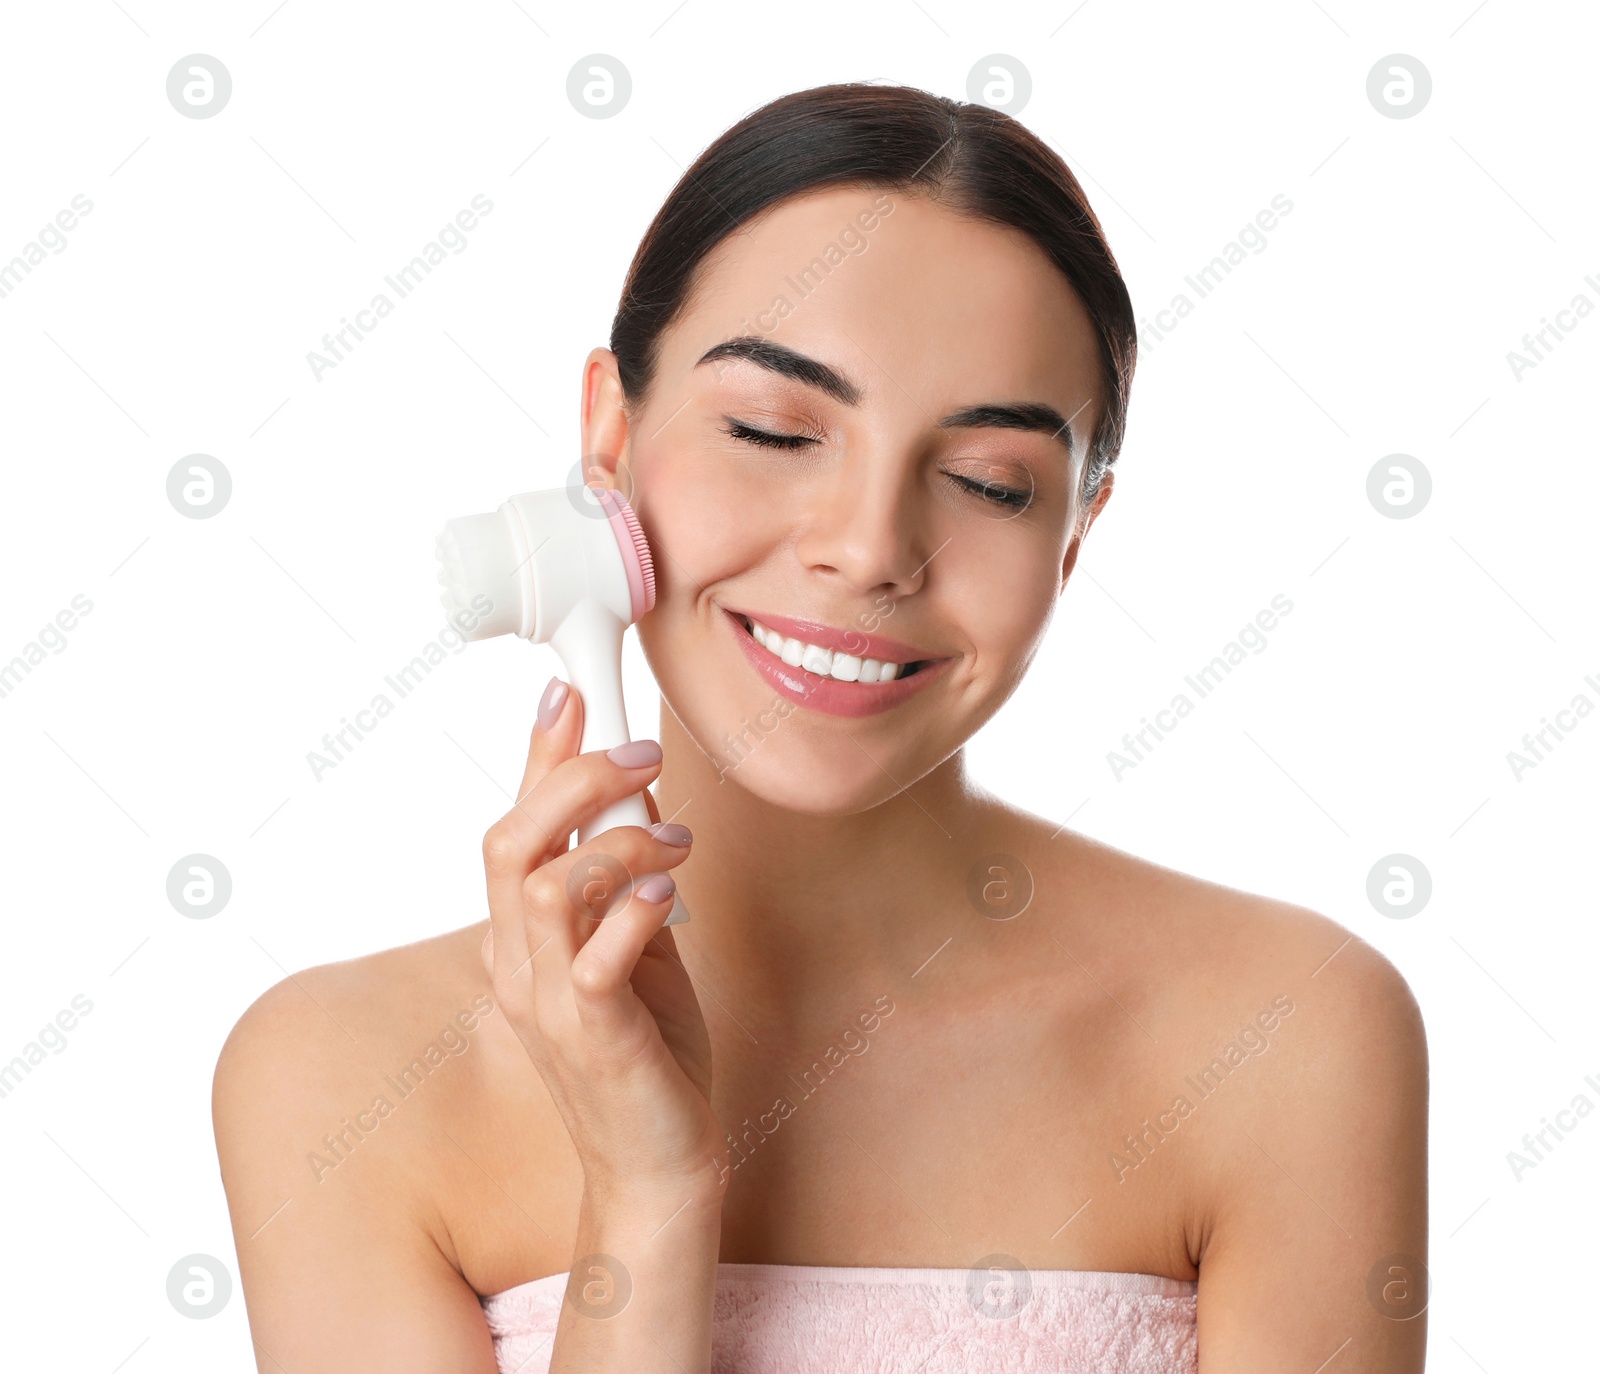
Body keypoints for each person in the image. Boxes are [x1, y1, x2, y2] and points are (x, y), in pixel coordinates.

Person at [212, 81, 1428, 1373]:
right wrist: (649, 1194)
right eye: (774, 429)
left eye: (987, 481)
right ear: (610, 436)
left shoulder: (1289, 1035)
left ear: (1076, 536)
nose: (867, 550)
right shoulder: (334, 1081)